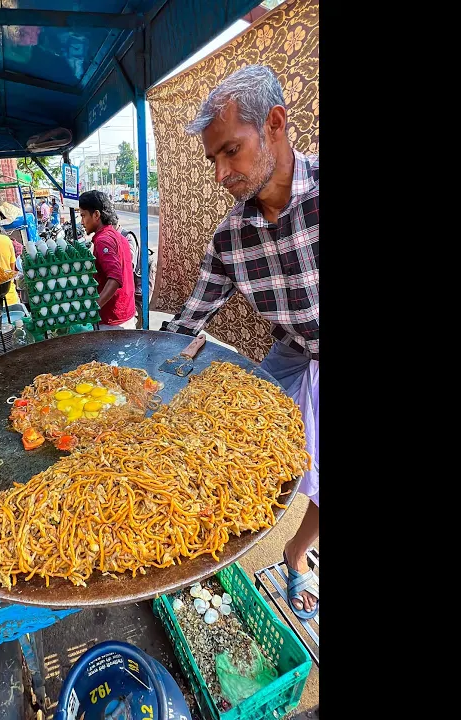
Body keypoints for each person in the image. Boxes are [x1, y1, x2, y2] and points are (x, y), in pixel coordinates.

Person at [161, 65, 319, 619]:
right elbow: (192, 315)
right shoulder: (232, 235)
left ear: (275, 124)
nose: (222, 172)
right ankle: (215, 525)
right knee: (230, 439)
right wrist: (139, 370)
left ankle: (298, 554)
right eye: (213, 159)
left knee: (318, 473)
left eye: (232, 150)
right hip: (296, 347)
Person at [79, 190, 136, 330]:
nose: (82, 222)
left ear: (96, 215)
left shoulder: (103, 240)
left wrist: (94, 307)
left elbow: (115, 278)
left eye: (83, 215)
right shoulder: (117, 235)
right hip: (125, 314)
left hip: (113, 321)